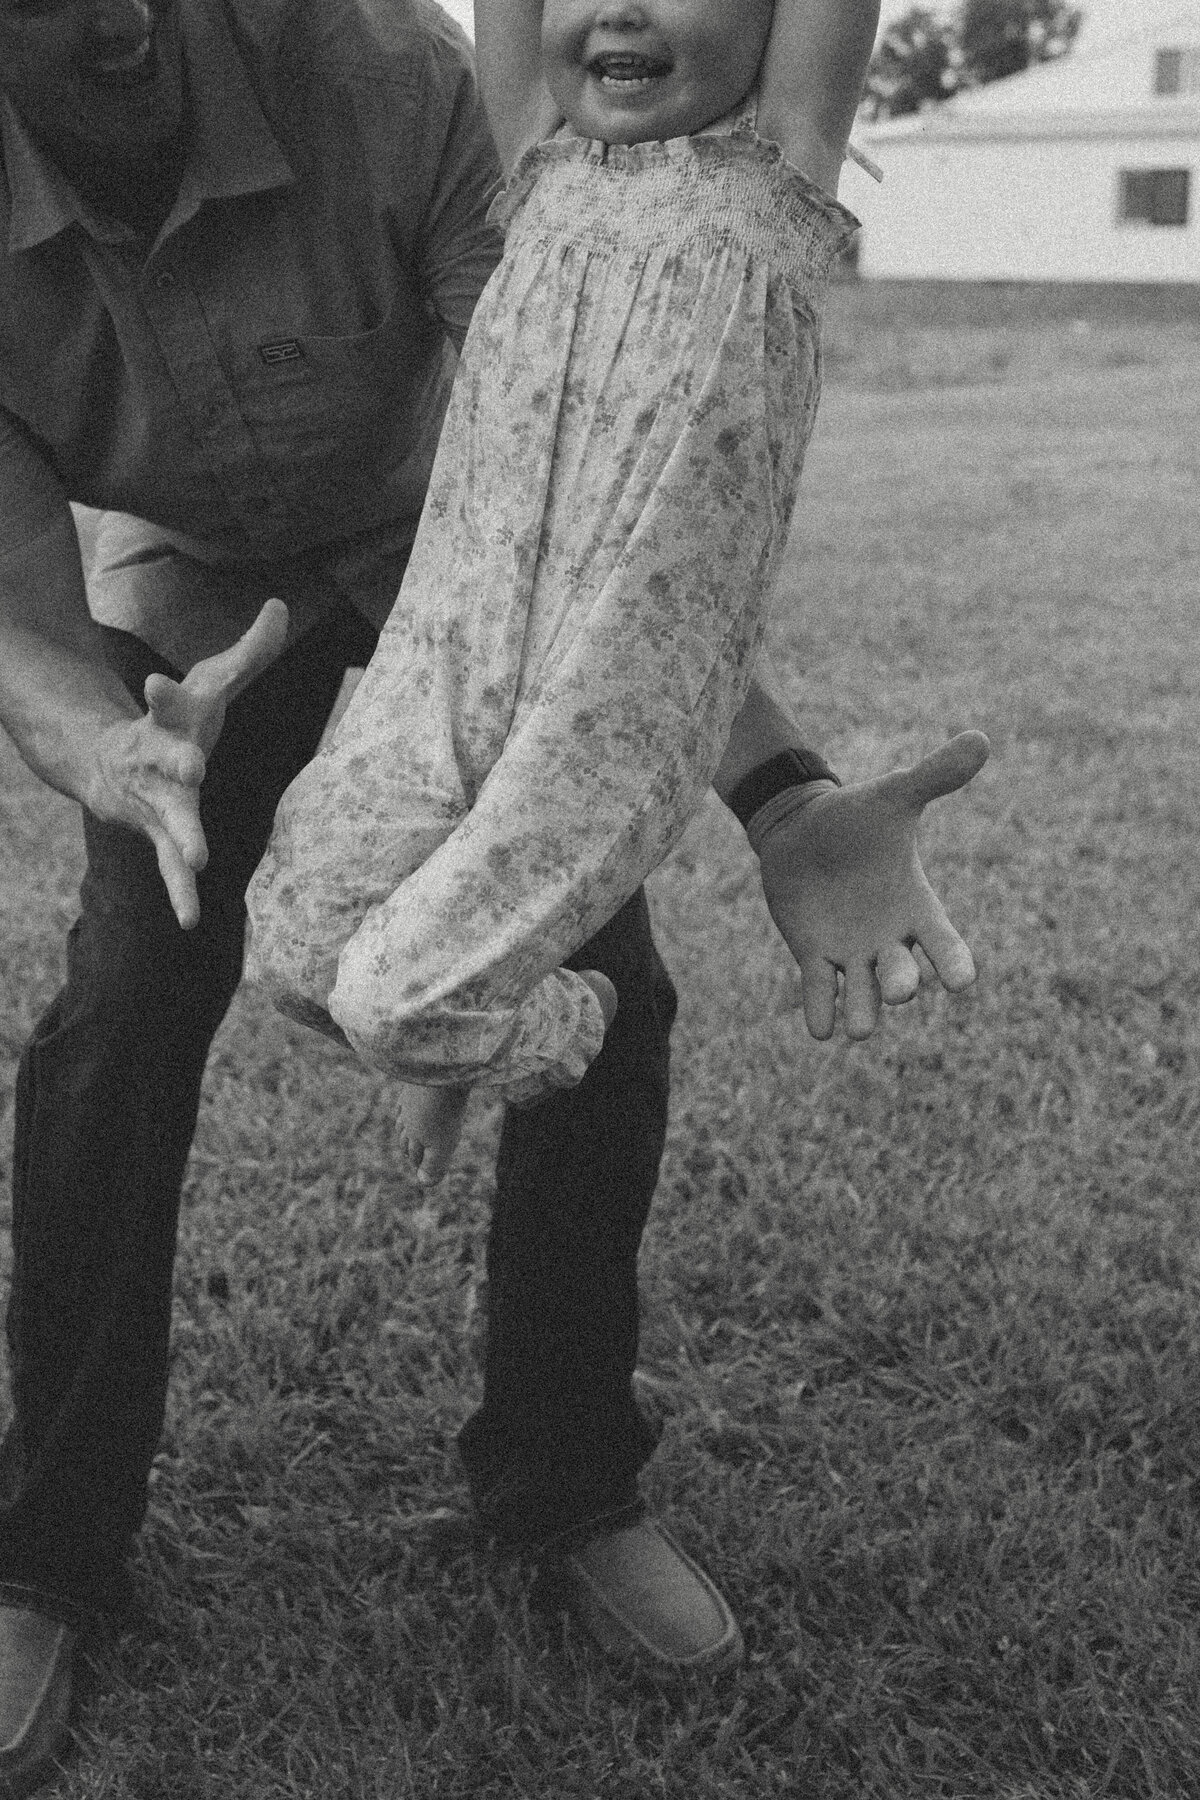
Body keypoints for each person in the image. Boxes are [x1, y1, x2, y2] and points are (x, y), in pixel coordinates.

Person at [0, 0, 986, 1788]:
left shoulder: (382, 74)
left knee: (618, 1000)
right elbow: (18, 602)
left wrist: (772, 787)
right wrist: (108, 750)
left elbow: (588, 494)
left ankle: (562, 1487)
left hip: (442, 558)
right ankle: (47, 1552)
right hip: (190, 600)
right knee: (124, 1002)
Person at [242, 0, 900, 1188]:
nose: (618, 8)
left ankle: (563, 1024)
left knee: (399, 1003)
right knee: (292, 949)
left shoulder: (778, 175)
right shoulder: (536, 160)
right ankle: (467, 1024)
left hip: (613, 706)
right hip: (446, 650)